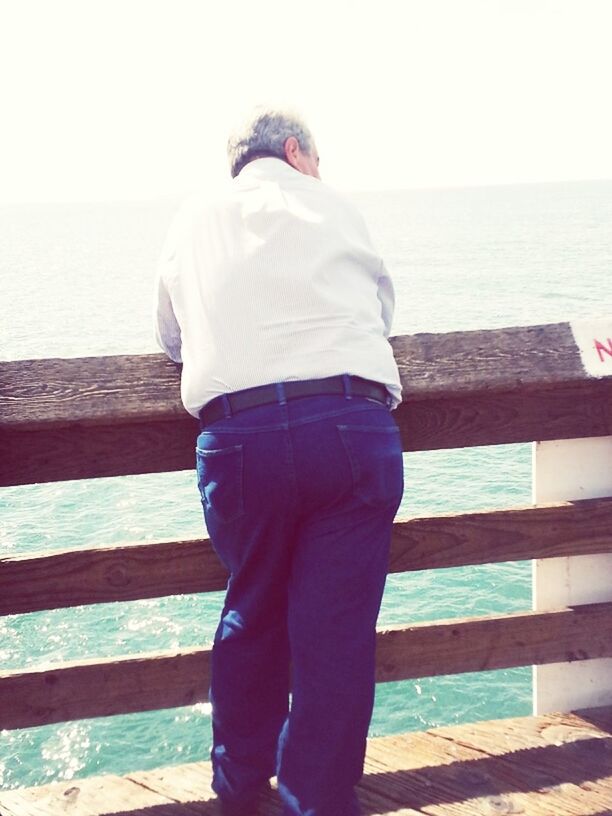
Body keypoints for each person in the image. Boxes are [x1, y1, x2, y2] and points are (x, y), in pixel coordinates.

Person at [154, 106, 404, 816]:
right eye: (317, 159)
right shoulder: (338, 207)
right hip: (352, 429)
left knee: (253, 608)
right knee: (336, 633)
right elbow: (378, 314)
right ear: (296, 152)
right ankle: (315, 799)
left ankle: (238, 788)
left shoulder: (194, 217)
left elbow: (171, 336)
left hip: (242, 439)